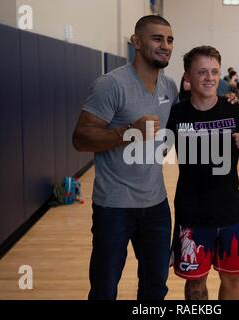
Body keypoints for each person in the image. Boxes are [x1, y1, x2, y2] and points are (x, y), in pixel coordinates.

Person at [72, 15, 178, 300]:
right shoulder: (111, 84)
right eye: (157, 38)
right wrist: (128, 131)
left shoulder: (170, 88)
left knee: (156, 287)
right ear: (136, 42)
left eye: (169, 40)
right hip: (114, 206)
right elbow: (80, 138)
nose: (165, 45)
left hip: (156, 204)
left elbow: (177, 130)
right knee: (105, 289)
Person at [166, 46, 239, 300]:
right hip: (191, 214)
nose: (209, 77)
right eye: (202, 72)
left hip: (230, 213)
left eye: (214, 72)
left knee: (232, 280)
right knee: (195, 285)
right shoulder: (176, 114)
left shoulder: (236, 112)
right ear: (188, 76)